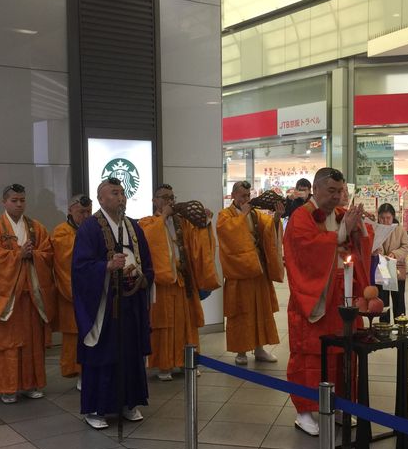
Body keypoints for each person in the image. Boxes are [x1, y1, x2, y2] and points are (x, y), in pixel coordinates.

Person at [284, 167, 374, 435]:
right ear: (316, 188)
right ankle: (304, 412)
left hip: (342, 292)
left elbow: (360, 247)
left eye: (341, 191)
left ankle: (336, 405)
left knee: (342, 351)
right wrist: (341, 234)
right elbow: (305, 250)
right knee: (309, 353)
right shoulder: (301, 217)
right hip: (314, 295)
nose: (337, 197)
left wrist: (359, 231)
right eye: (331, 191)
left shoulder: (341, 215)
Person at [71, 178, 154, 429]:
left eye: (122, 193)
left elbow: (148, 264)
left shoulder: (134, 227)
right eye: (114, 193)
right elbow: (80, 268)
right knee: (104, 353)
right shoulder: (89, 228)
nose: (120, 197)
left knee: (129, 354)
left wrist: (141, 276)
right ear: (101, 199)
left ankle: (129, 403)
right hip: (104, 305)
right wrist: (106, 266)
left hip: (130, 302)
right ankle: (96, 410)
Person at [0, 184, 56, 403]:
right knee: (9, 344)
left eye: (22, 200)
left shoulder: (36, 228)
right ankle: (8, 387)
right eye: (14, 200)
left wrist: (34, 256)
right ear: (4, 202)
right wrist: (17, 255)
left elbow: (48, 254)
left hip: (31, 297)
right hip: (7, 299)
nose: (19, 204)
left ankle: (31, 385)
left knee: (32, 342)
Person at [139, 184, 219, 381]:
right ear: (154, 200)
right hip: (163, 283)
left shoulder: (181, 222)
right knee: (163, 325)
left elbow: (197, 244)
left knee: (186, 324)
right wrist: (163, 217)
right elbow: (147, 240)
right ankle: (164, 365)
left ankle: (186, 362)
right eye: (164, 197)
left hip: (183, 281)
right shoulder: (147, 222)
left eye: (171, 197)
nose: (169, 201)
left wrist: (203, 222)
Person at [216, 180, 284, 365]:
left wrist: (277, 217)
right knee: (241, 311)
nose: (246, 199)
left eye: (248, 196)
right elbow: (226, 234)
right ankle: (241, 351)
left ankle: (260, 348)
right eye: (243, 196)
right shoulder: (225, 215)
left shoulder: (254, 214)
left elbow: (268, 230)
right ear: (233, 196)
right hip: (239, 272)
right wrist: (242, 216)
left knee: (261, 310)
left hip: (257, 269)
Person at [51, 194, 92, 389]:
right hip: (72, 293)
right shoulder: (61, 232)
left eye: (88, 212)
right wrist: (77, 291)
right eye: (80, 212)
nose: (85, 215)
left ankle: (91, 372)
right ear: (70, 211)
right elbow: (64, 263)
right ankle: (79, 375)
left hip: (92, 291)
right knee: (74, 335)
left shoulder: (93, 229)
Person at [376, 203, 408, 320]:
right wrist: (378, 252)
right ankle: (384, 327)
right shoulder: (375, 229)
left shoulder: (399, 229)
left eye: (388, 218)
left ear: (393, 217)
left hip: (396, 268)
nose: (385, 221)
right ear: (378, 217)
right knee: (383, 300)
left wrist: (395, 254)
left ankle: (400, 326)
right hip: (382, 268)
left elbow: (406, 246)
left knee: (399, 299)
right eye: (382, 218)